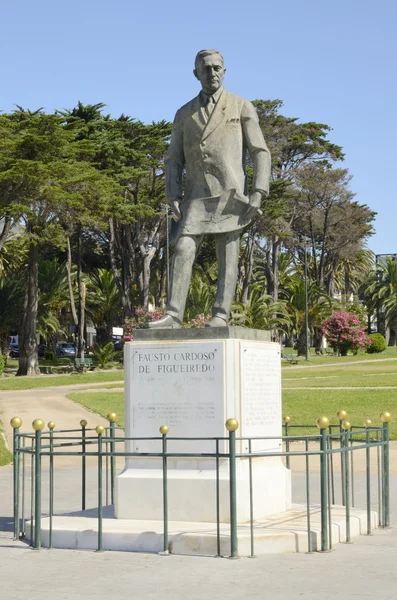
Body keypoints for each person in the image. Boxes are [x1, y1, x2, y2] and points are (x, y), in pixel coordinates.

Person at [149, 49, 271, 329]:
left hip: (230, 195)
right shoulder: (184, 112)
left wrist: (258, 190)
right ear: (196, 73)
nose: (212, 73)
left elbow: (260, 152)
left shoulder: (241, 106)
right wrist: (172, 193)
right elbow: (173, 158)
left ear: (225, 71)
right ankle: (173, 314)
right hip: (195, 195)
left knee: (227, 256)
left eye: (217, 68)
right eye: (205, 69)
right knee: (183, 248)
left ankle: (221, 314)